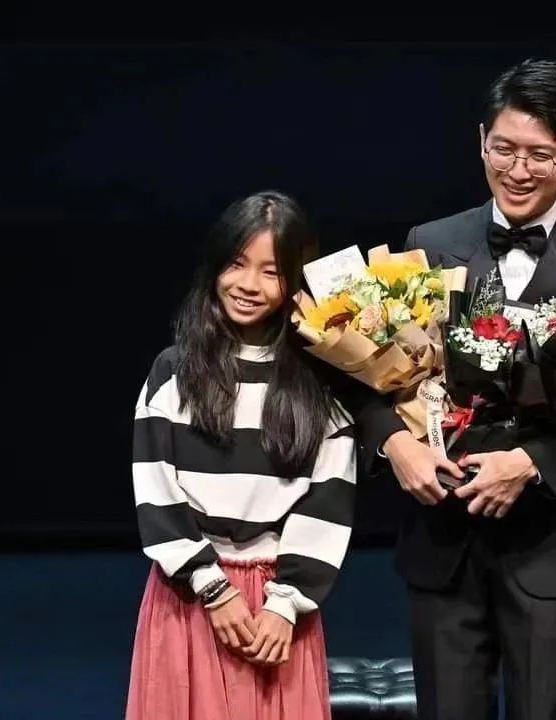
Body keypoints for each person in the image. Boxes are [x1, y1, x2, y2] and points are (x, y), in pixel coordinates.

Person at [355, 58, 556, 720]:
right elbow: (374, 371)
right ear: (481, 143)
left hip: (554, 545)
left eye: (539, 155)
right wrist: (395, 447)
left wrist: (531, 461)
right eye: (504, 149)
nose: (518, 170)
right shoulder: (429, 242)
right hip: (445, 540)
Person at [124, 190, 356, 720]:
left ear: (295, 282)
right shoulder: (174, 370)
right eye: (237, 264)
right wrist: (212, 587)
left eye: (271, 272)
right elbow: (155, 488)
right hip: (191, 597)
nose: (249, 285)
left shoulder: (320, 382)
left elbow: (330, 496)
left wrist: (286, 603)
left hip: (278, 605)